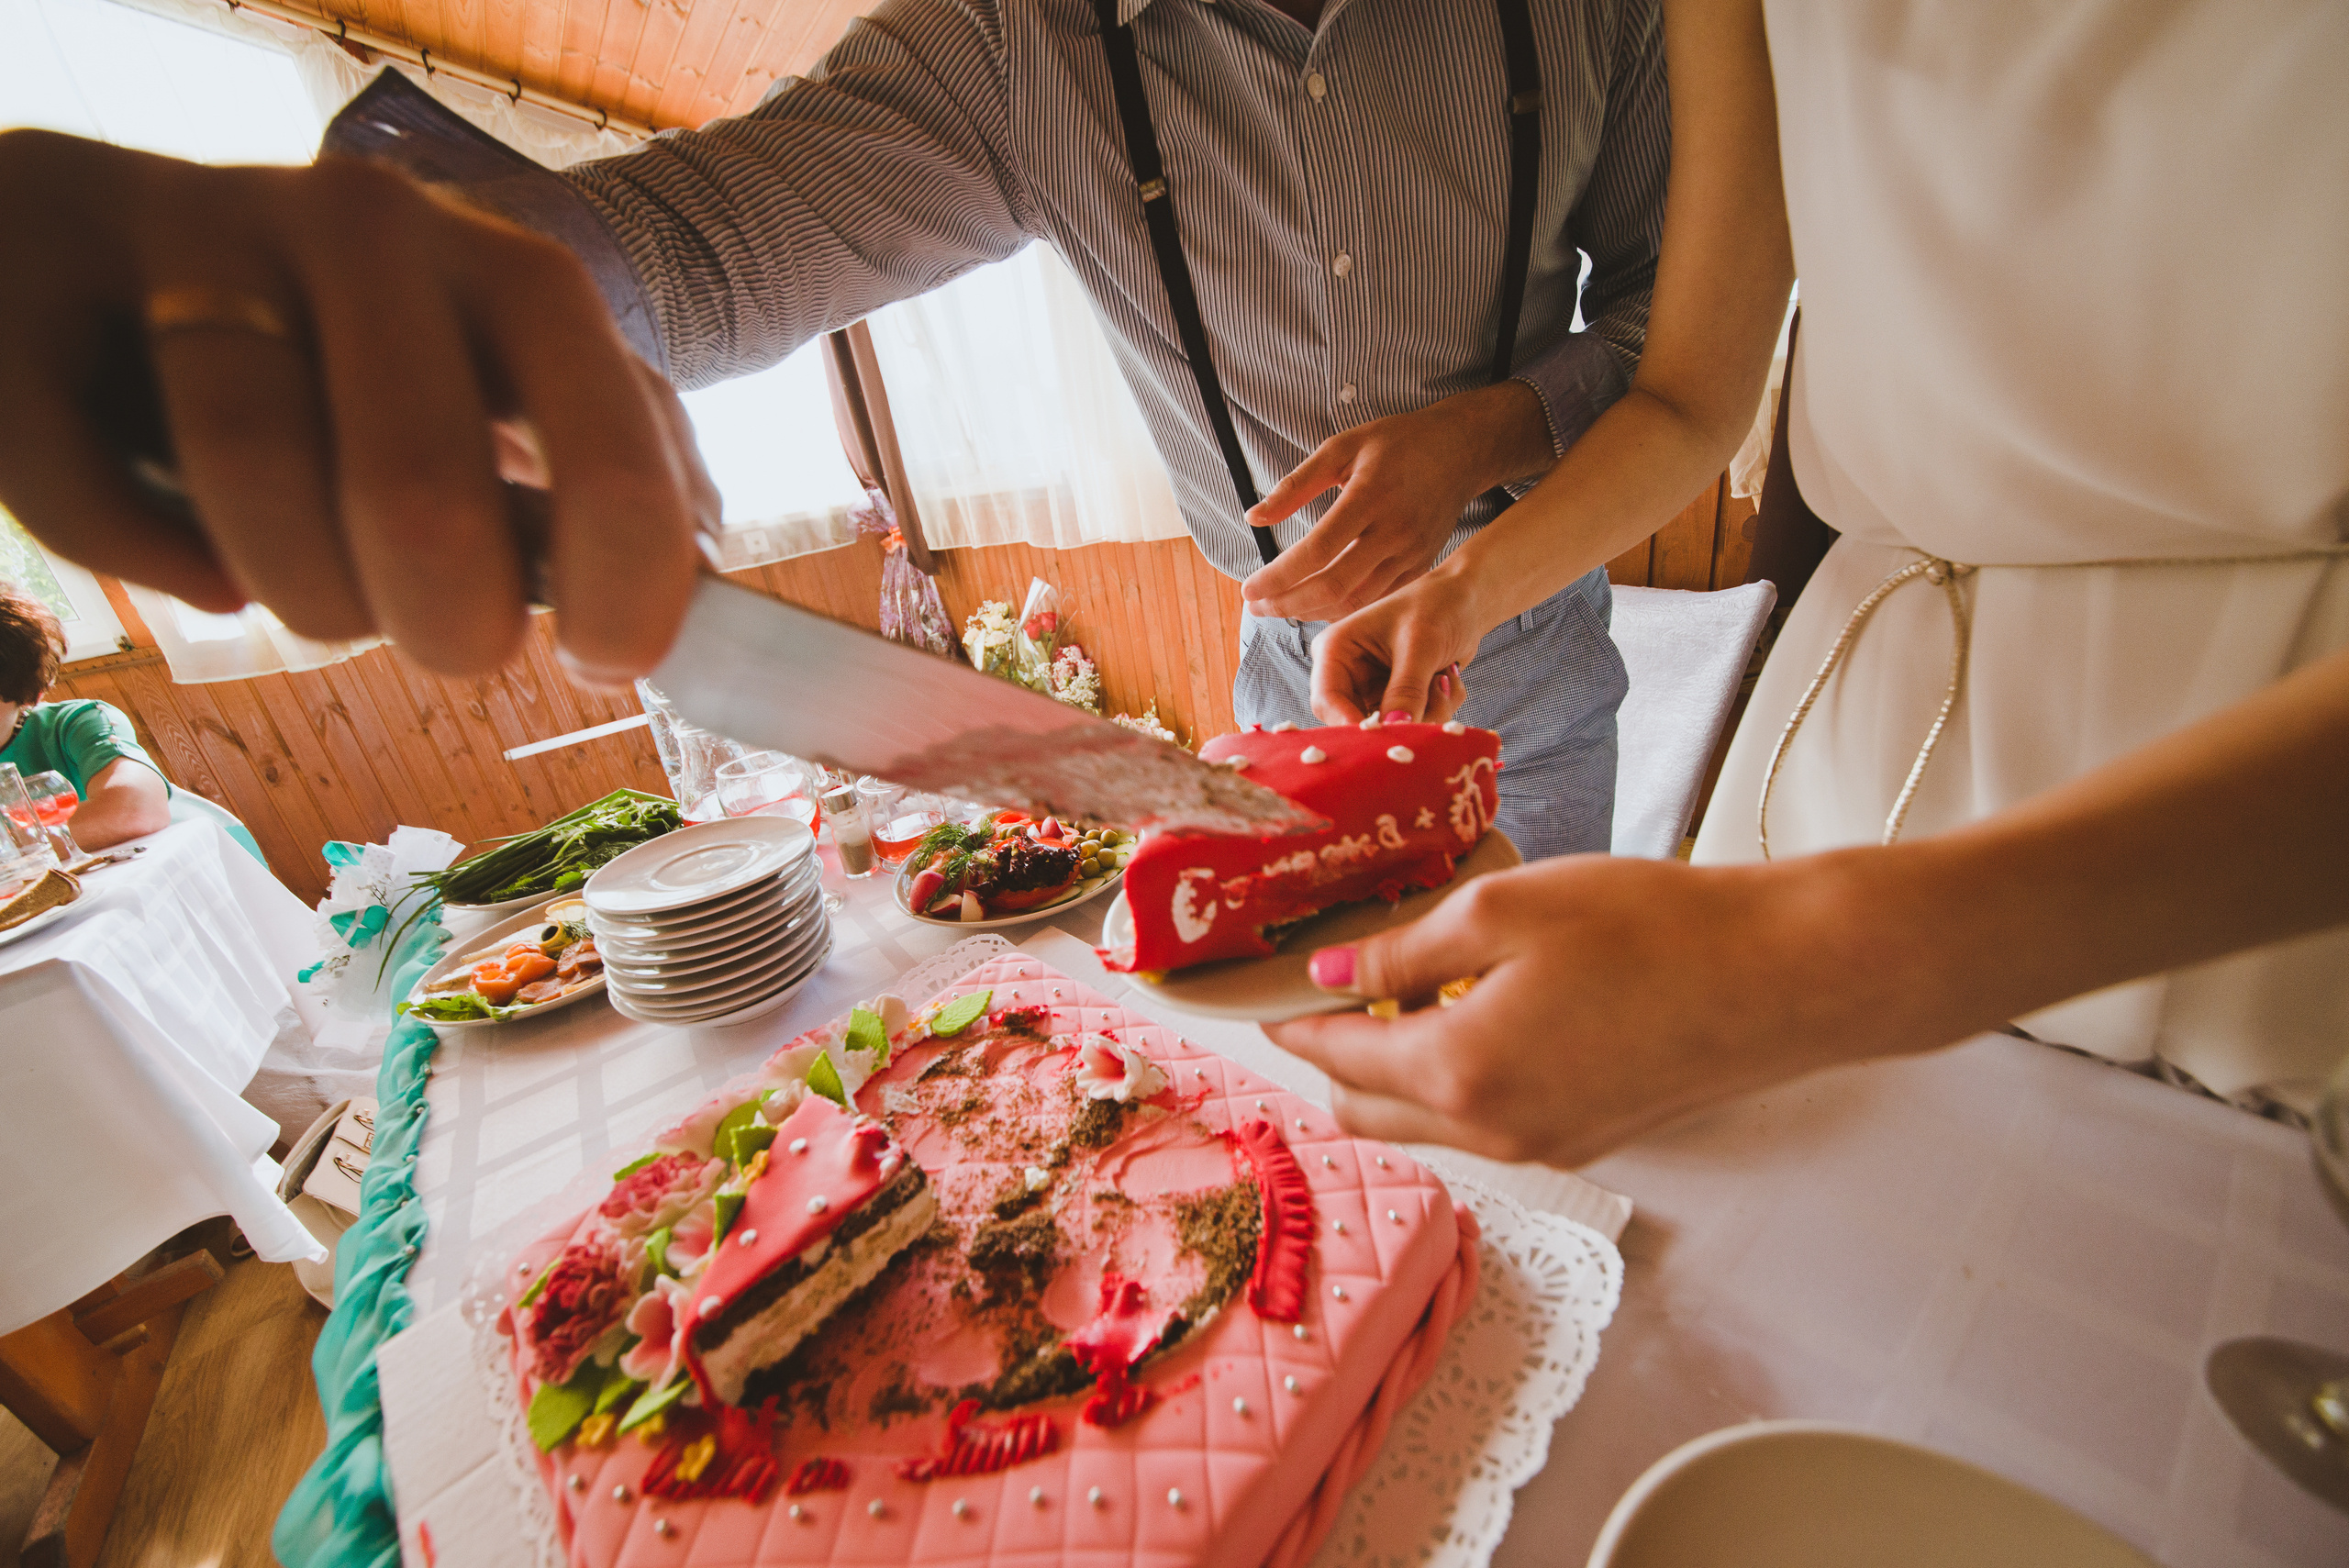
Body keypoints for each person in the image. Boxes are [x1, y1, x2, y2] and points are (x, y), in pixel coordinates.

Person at [0, 0, 1673, 862]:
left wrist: (1500, 427)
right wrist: (477, 296)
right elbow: (706, 245)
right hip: (1277, 682)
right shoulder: (1020, 46)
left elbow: (1691, 324)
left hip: (1539, 664)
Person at [1268, 0, 2349, 1159]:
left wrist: (1800, 962)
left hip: (2278, 813)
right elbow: (1688, 396)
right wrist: (1466, 590)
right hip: (1853, 753)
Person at [0, 582, 265, 860]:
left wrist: (12, 848)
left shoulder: (76, 722)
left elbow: (135, 811)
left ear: (32, 694)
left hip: (200, 862)